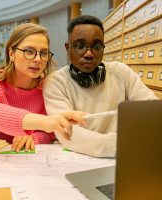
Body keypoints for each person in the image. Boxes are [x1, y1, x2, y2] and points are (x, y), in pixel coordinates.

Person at [43, 15, 158, 157]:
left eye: (97, 46)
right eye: (80, 46)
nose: (89, 54)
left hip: (124, 157)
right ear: (68, 48)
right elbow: (66, 132)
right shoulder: (56, 81)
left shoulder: (121, 72)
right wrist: (125, 144)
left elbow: (153, 112)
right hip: (78, 160)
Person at [0, 23, 86, 152]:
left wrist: (33, 137)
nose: (38, 59)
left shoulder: (48, 88)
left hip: (28, 160)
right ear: (11, 53)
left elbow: (51, 132)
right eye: (29, 51)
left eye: (43, 53)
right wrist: (44, 122)